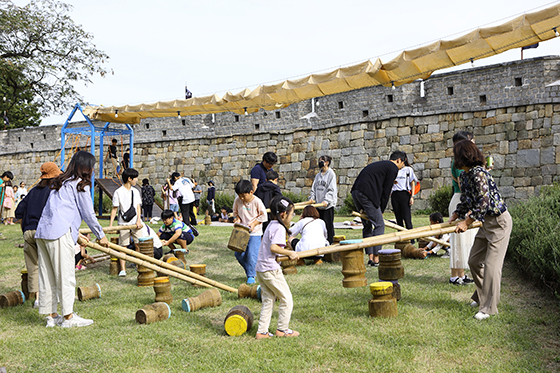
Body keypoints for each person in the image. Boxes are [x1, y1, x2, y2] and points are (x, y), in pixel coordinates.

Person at [35, 151, 109, 328]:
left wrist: (75, 234)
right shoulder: (79, 184)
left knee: (48, 276)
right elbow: (88, 213)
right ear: (86, 167)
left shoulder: (60, 182)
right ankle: (68, 317)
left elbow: (58, 211)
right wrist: (101, 235)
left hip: (43, 232)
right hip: (58, 233)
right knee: (65, 275)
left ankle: (52, 316)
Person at [448, 140, 512, 321]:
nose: (455, 159)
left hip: (499, 223)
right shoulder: (466, 175)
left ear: (464, 156)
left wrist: (466, 223)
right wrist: (456, 214)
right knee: (474, 261)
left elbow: (484, 202)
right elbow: (467, 200)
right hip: (486, 224)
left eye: (456, 155)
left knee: (492, 266)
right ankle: (483, 296)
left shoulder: (479, 173)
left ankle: (489, 308)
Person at [15, 162, 62, 308]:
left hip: (28, 232)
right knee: (49, 265)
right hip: (44, 232)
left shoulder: (33, 191)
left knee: (33, 266)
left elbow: (18, 212)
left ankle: (37, 298)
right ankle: (53, 297)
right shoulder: (53, 191)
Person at [255, 195, 300, 339]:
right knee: (287, 299)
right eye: (291, 214)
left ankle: (262, 331)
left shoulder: (271, 225)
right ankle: (282, 329)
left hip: (261, 269)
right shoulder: (279, 228)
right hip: (271, 269)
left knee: (269, 300)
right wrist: (289, 253)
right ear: (283, 214)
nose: (291, 217)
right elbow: (274, 247)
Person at [351, 151, 406, 267]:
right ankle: (376, 258)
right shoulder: (393, 168)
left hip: (356, 192)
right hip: (367, 194)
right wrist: (381, 209)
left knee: (367, 225)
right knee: (379, 224)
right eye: (403, 164)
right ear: (399, 160)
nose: (402, 167)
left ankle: (370, 257)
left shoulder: (383, 165)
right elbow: (386, 191)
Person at [448, 131, 477, 285]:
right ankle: (455, 276)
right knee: (458, 240)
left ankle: (461, 274)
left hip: (462, 200)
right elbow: (463, 185)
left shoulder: (459, 160)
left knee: (464, 240)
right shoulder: (458, 162)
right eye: (471, 141)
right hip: (460, 200)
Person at [109, 168, 148, 277]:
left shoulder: (135, 191)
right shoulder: (118, 192)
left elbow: (138, 207)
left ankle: (138, 265)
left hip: (135, 223)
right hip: (123, 223)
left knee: (138, 244)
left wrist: (139, 220)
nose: (136, 180)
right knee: (123, 246)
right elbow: (114, 209)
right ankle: (123, 269)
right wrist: (111, 225)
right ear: (129, 179)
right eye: (135, 178)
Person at [232, 179, 268, 284]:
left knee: (252, 254)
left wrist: (253, 224)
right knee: (238, 254)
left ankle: (251, 275)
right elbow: (235, 214)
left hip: (255, 232)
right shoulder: (237, 201)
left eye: (244, 196)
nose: (241, 198)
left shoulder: (257, 201)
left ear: (251, 192)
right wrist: (237, 220)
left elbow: (263, 215)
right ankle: (250, 270)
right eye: (239, 196)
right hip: (241, 231)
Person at [308, 155, 337, 244]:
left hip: (327, 206)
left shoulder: (331, 174)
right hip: (318, 205)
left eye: (322, 160)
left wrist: (327, 200)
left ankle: (330, 243)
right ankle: (320, 242)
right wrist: (312, 198)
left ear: (327, 162)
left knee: (328, 226)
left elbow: (331, 189)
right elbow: (314, 188)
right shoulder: (318, 175)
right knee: (318, 226)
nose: (320, 162)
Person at [391, 155, 419, 242]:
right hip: (394, 194)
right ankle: (401, 239)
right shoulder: (392, 170)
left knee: (407, 217)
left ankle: (411, 239)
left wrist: (412, 196)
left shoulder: (408, 170)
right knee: (398, 218)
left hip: (404, 194)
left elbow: (412, 182)